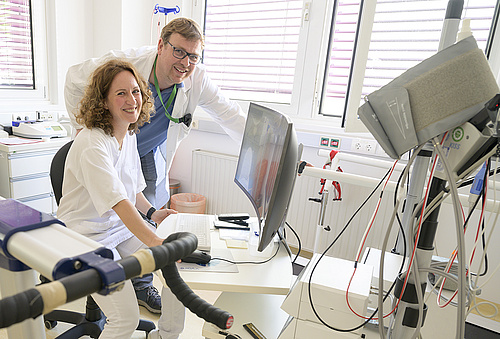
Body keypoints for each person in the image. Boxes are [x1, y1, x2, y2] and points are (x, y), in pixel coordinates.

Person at [64, 17, 247, 314]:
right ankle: (115, 291)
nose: (186, 62)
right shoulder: (124, 68)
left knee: (154, 218)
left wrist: (152, 214)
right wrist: (84, 125)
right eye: (178, 52)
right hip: (90, 224)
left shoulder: (188, 84)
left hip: (135, 138)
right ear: (161, 45)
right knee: (143, 244)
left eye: (193, 56)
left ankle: (146, 295)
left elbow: (230, 114)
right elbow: (74, 78)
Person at [57, 59, 183, 339]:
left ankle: (166, 335)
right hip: (84, 238)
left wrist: (152, 214)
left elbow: (132, 190)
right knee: (125, 318)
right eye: (121, 93)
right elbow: (118, 202)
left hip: (118, 229)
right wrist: (154, 240)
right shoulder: (92, 143)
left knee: (174, 266)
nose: (132, 100)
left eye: (136, 91)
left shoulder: (129, 132)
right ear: (103, 101)